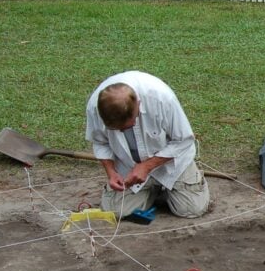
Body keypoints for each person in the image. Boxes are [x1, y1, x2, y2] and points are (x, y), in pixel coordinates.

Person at [85, 70, 210, 218]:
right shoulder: (94, 108)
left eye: (127, 127)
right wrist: (111, 173)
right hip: (129, 168)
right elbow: (100, 142)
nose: (123, 131)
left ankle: (177, 186)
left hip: (172, 164)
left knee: (191, 209)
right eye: (117, 129)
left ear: (138, 104)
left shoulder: (161, 98)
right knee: (116, 212)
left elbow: (183, 140)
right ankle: (152, 191)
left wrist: (146, 166)